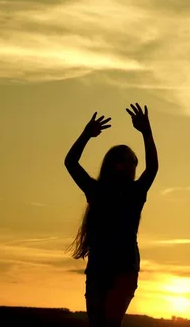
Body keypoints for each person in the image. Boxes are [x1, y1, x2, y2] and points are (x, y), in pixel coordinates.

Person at [64, 103, 159, 327]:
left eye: (133, 161)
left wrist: (147, 131)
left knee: (110, 324)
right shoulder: (97, 190)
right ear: (112, 163)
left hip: (125, 268)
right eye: (124, 160)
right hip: (98, 268)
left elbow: (153, 167)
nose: (130, 164)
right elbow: (70, 163)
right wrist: (86, 134)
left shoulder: (136, 192)